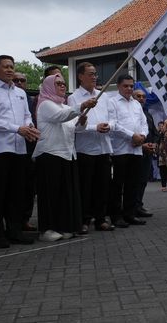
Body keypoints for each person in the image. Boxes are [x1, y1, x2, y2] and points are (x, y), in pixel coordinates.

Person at [0, 55, 40, 248]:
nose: (9, 70)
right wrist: (18, 129)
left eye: (11, 66)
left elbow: (27, 115)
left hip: (19, 147)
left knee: (16, 192)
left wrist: (29, 126)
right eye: (5, 67)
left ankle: (14, 231)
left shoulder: (20, 93)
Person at [34, 74, 96, 241]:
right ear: (49, 86)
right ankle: (47, 229)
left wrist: (82, 121)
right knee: (51, 195)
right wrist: (82, 105)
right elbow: (60, 117)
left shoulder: (64, 106)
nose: (62, 86)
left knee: (65, 195)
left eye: (63, 83)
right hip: (50, 154)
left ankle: (64, 226)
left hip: (67, 154)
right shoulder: (46, 104)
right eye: (58, 83)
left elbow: (75, 129)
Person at [68, 63, 115, 232]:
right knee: (85, 187)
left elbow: (113, 118)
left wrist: (109, 125)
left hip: (103, 147)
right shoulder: (74, 98)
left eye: (95, 74)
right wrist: (95, 127)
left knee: (102, 186)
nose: (94, 77)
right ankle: (84, 220)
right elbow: (74, 125)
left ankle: (100, 219)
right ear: (80, 76)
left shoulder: (104, 96)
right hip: (85, 149)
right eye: (90, 74)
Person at [107, 74, 148, 228]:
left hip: (136, 150)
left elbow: (144, 123)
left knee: (133, 184)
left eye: (131, 86)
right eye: (126, 86)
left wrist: (142, 136)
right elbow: (114, 125)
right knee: (118, 185)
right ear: (118, 86)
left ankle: (130, 214)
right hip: (120, 150)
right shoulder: (112, 102)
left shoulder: (136, 104)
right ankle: (116, 216)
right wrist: (132, 135)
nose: (129, 89)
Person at [12, 71, 37, 232]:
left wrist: (30, 126)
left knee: (28, 186)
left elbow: (29, 117)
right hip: (8, 147)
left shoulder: (27, 98)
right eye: (16, 80)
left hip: (28, 145)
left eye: (23, 80)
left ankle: (25, 219)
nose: (20, 83)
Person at [133, 89, 155, 218]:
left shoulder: (148, 114)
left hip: (148, 153)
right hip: (135, 152)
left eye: (143, 97)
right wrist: (142, 145)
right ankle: (132, 207)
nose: (141, 99)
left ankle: (138, 205)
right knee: (134, 181)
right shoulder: (132, 114)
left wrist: (154, 144)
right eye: (138, 96)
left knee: (143, 181)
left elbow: (154, 133)